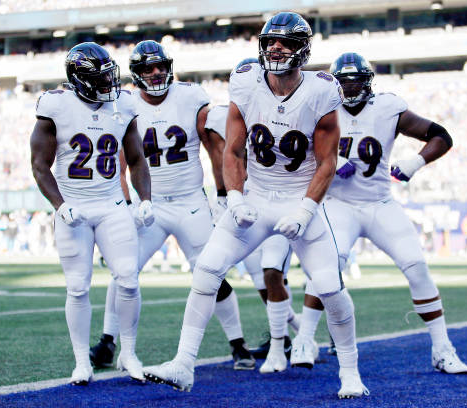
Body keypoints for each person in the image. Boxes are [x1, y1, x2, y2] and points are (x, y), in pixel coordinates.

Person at [144, 12, 368, 398]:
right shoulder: (246, 83)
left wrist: (306, 210)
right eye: (271, 41)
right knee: (207, 267)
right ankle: (183, 364)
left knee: (329, 286)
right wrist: (234, 197)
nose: (277, 48)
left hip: (301, 200)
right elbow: (232, 149)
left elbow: (328, 161)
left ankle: (350, 373)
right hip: (258, 198)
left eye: (287, 42)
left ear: (304, 49)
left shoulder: (321, 90)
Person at [290, 52, 467, 375]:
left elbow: (442, 135)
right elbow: (293, 148)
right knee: (327, 266)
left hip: (379, 203)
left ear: (368, 82)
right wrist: (326, 160)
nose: (350, 87)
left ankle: (443, 348)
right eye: (343, 82)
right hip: (338, 205)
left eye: (356, 80)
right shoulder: (321, 108)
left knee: (416, 266)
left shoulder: (388, 107)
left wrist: (416, 162)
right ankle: (304, 339)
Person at [88, 40, 254, 371]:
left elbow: (214, 146)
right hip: (150, 206)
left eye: (161, 66)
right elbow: (120, 162)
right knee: (124, 270)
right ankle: (108, 341)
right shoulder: (123, 103)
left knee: (211, 271)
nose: (156, 72)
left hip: (190, 202)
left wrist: (223, 194)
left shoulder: (191, 96)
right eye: (149, 68)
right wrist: (126, 205)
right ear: (136, 74)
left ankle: (238, 344)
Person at [30, 42, 154, 385]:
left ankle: (128, 353)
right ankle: (81, 361)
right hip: (75, 208)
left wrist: (144, 199)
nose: (108, 84)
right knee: (77, 288)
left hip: (113, 205)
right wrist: (60, 205)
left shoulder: (124, 105)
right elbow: (40, 166)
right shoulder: (55, 105)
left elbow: (137, 159)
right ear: (79, 78)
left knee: (128, 277)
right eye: (99, 78)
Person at [204, 94, 302, 363]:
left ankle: (296, 337)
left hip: (273, 198)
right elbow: (222, 155)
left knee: (274, 272)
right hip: (237, 200)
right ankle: (294, 332)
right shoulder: (220, 115)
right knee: (259, 278)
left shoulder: (279, 115)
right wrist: (225, 196)